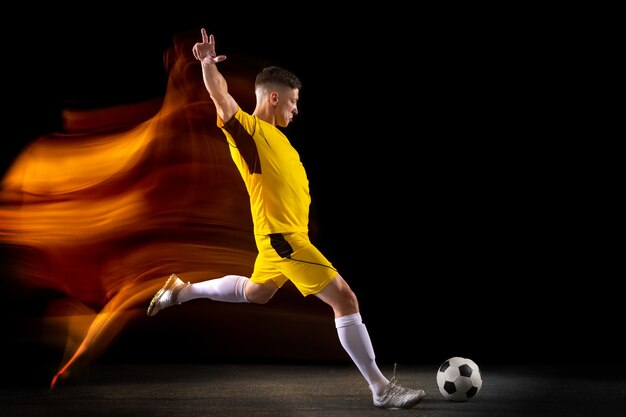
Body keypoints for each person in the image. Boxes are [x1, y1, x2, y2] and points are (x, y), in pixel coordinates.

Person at [147, 27, 425, 410]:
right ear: (273, 97)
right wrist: (208, 63)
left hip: (277, 240)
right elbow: (221, 96)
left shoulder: (282, 142)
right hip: (284, 240)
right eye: (293, 102)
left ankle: (182, 290)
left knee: (256, 292)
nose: (296, 109)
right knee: (345, 299)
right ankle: (381, 389)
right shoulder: (249, 132)